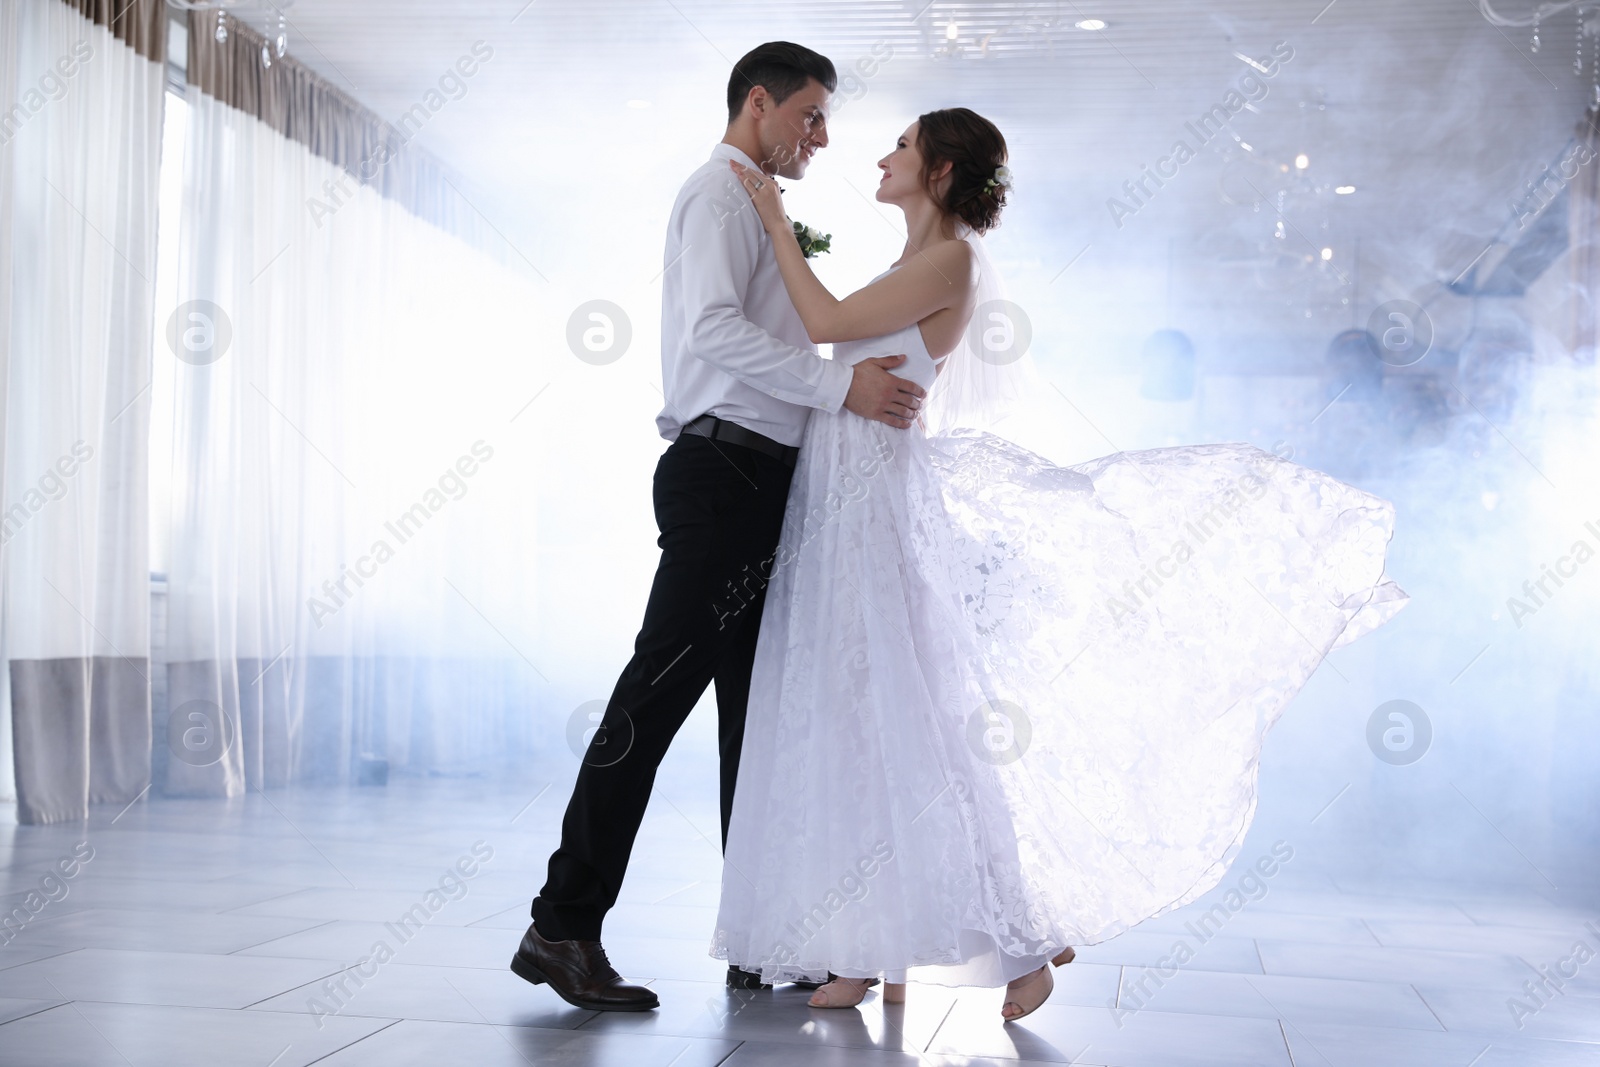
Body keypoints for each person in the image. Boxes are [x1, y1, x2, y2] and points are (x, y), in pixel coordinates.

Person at [713, 107, 1408, 1021]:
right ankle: (864, 944)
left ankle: (1024, 943)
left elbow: (825, 320)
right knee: (856, 718)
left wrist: (770, 220)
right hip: (845, 497)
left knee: (909, 723)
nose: (882, 157)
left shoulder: (949, 260)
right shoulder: (912, 261)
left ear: (945, 174)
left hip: (874, 504)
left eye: (904, 147)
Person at [508, 41, 925, 1013]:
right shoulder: (716, 196)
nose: (822, 137)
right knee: (649, 703)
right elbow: (711, 331)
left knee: (760, 720)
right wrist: (843, 390)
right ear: (757, 104)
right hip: (722, 472)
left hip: (760, 479)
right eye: (810, 116)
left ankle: (761, 938)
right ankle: (562, 922)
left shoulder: (759, 204)